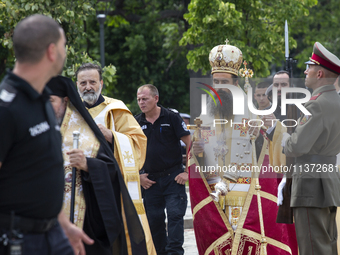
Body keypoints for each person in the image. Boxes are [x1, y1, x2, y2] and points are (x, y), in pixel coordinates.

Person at [189, 40, 298, 255]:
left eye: (224, 81)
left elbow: (272, 150)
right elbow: (198, 159)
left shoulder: (254, 115)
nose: (219, 86)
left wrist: (272, 129)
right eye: (215, 81)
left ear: (236, 84)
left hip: (248, 196)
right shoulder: (204, 118)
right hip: (216, 198)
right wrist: (198, 150)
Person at [0, 14, 92, 255]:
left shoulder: (41, 98)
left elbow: (41, 173)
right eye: (63, 46)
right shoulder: (6, 108)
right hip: (19, 241)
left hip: (54, 234)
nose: (65, 51)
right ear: (52, 51)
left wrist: (64, 226)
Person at [47, 76, 149, 255]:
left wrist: (88, 164)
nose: (44, 107)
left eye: (50, 101)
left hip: (85, 219)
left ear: (65, 101)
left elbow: (112, 169)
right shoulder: (37, 130)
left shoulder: (89, 133)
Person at [75, 63, 155, 254]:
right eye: (83, 82)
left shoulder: (115, 109)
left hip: (109, 186)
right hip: (78, 186)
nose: (88, 87)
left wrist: (112, 136)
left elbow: (138, 142)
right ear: (76, 85)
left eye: (92, 82)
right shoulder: (70, 110)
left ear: (101, 83)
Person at [281, 42, 340, 255]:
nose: (306, 71)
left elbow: (296, 146)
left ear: (320, 73)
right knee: (327, 244)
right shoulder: (335, 101)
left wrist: (284, 139)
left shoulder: (316, 104)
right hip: (328, 181)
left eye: (310, 66)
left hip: (310, 185)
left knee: (312, 247)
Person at [135, 84, 191, 255]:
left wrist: (187, 172)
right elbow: (129, 151)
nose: (141, 102)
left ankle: (175, 253)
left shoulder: (171, 117)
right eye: (139, 100)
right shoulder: (136, 122)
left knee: (175, 215)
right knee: (154, 220)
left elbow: (190, 143)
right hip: (150, 181)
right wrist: (139, 176)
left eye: (145, 99)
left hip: (173, 177)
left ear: (156, 99)